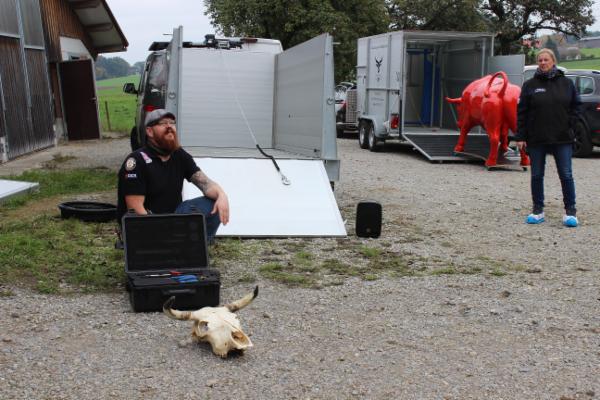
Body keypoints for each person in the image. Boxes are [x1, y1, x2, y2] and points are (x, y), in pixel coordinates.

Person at [117, 109, 229, 242]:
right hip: (144, 222)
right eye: (163, 123)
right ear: (149, 131)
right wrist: (161, 231)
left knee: (213, 204)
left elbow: (206, 184)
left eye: (172, 123)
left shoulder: (179, 155)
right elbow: (135, 209)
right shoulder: (136, 161)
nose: (169, 126)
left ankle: (199, 247)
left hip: (173, 217)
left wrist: (222, 195)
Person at [515, 48, 582, 227]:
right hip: (537, 139)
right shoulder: (529, 85)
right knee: (536, 175)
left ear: (553, 61)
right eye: (540, 60)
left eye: (546, 60)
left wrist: (571, 127)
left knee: (566, 174)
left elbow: (576, 107)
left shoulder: (566, 83)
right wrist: (520, 136)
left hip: (562, 138)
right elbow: (522, 112)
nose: (543, 63)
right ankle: (538, 210)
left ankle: (570, 212)